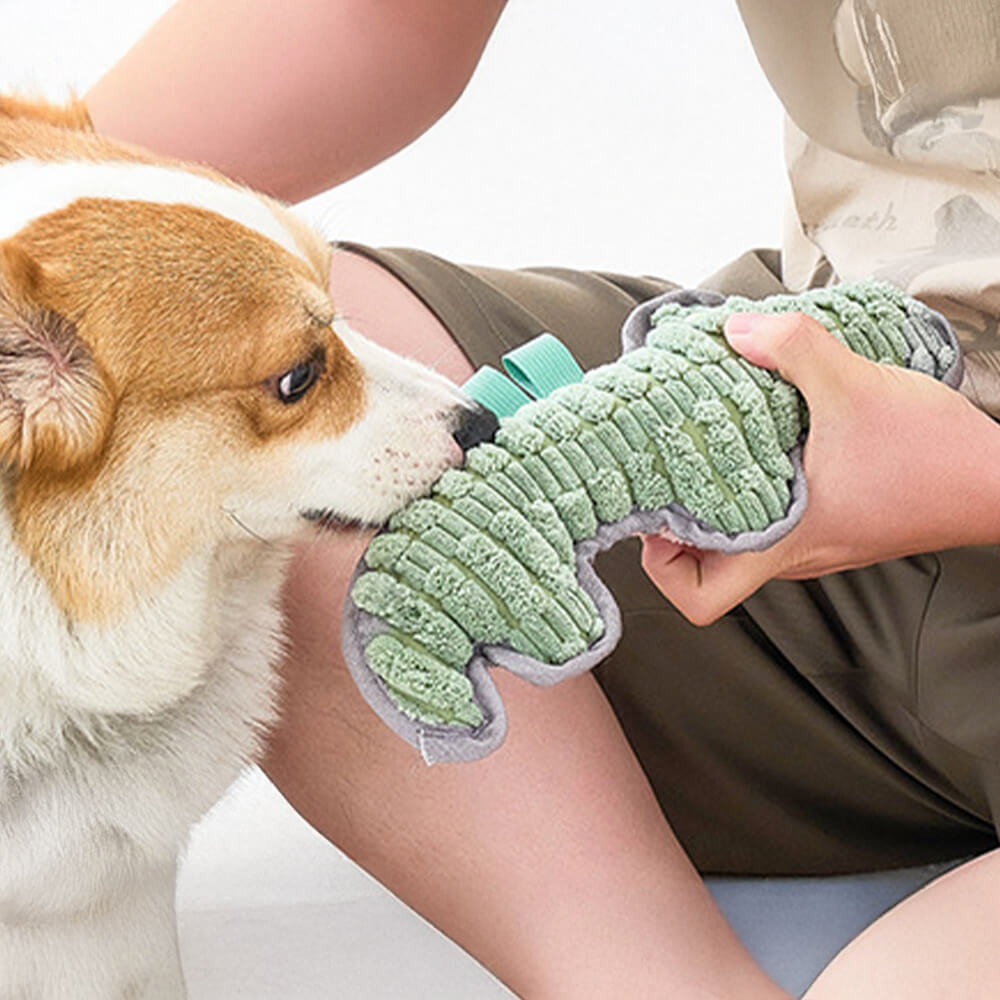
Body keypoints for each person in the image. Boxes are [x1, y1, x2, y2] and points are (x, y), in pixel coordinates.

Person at [85, 1, 1000, 996]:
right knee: (274, 397)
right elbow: (377, 17)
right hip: (843, 411)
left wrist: (967, 481)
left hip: (933, 468)